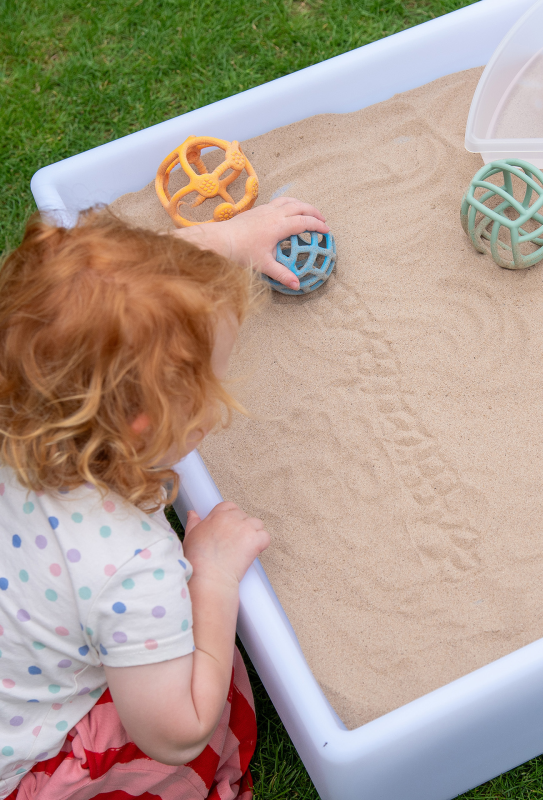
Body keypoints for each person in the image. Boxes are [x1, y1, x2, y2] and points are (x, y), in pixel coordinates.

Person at [0, 197, 329, 799]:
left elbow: (115, 292)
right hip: (27, 764)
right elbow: (177, 733)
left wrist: (228, 241)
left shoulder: (22, 381)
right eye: (215, 380)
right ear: (146, 427)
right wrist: (211, 576)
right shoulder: (131, 568)